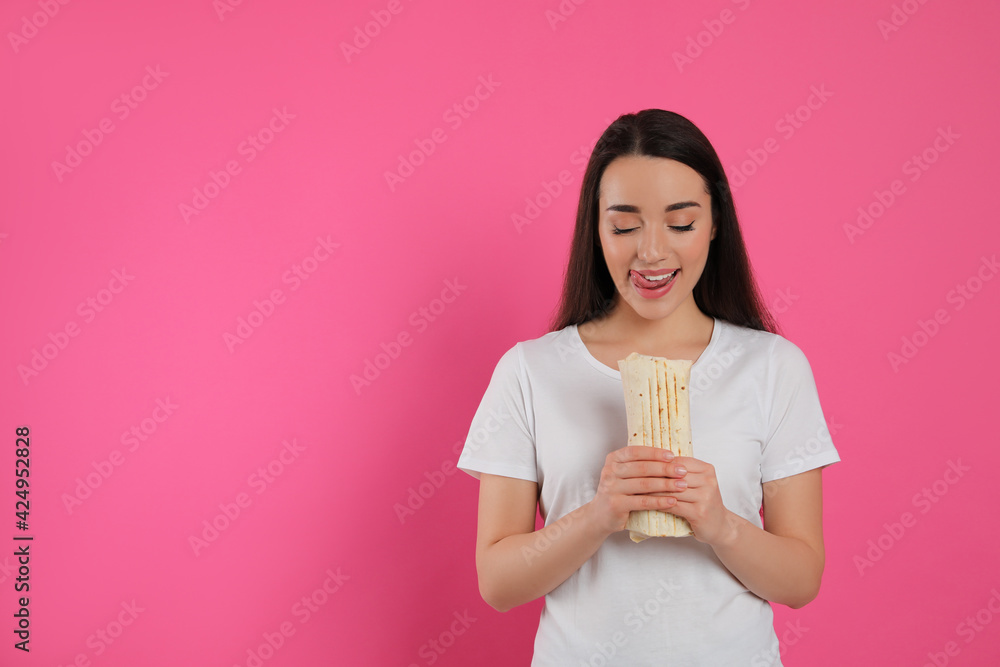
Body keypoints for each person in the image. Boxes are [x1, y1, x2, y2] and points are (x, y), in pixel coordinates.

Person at [457, 109, 841, 666]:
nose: (652, 252)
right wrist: (600, 514)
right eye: (625, 225)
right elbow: (497, 582)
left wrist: (720, 524)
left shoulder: (772, 367)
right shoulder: (529, 372)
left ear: (715, 225)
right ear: (596, 228)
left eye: (681, 224)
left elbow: (801, 579)